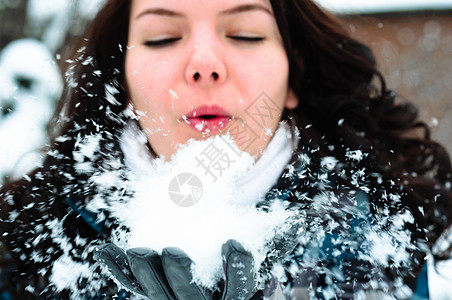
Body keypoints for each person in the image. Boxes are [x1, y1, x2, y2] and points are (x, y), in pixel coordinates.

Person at [1, 0, 452, 299]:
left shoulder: (409, 241)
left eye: (245, 34)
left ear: (294, 76)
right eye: (162, 37)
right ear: (122, 80)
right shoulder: (23, 247)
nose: (204, 65)